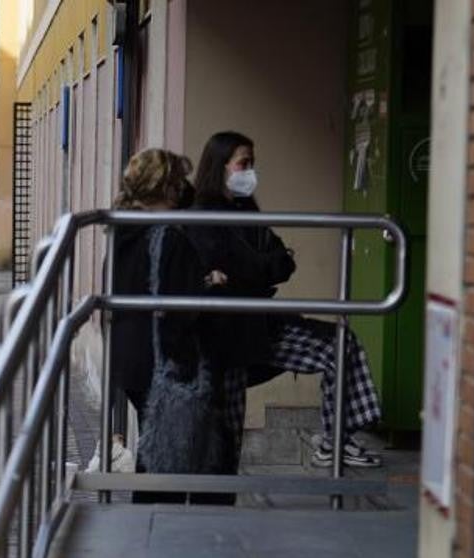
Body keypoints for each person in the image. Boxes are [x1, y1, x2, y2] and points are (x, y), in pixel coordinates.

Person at [190, 131, 383, 468]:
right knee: (223, 430)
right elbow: (240, 264)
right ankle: (214, 498)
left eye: (253, 163)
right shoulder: (204, 214)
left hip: (261, 326)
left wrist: (256, 267)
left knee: (340, 345)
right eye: (244, 163)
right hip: (227, 336)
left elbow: (280, 261)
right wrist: (258, 266)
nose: (251, 171)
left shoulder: (246, 209)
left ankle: (337, 440)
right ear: (220, 166)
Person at [111, 149, 229, 504]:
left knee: (154, 443)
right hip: (161, 358)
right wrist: (208, 283)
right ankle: (161, 522)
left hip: (127, 352)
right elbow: (180, 301)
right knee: (170, 454)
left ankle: (152, 517)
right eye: (178, 182)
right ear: (168, 187)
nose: (184, 189)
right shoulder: (167, 236)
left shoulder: (123, 228)